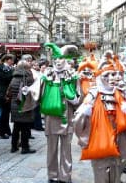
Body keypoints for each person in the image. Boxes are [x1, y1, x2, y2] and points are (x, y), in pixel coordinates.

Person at [39, 43, 81, 183]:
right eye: (55, 59)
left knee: (66, 149)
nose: (57, 61)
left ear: (66, 59)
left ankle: (65, 176)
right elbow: (38, 91)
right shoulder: (47, 75)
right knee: (51, 149)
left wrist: (73, 97)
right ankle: (52, 176)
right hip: (51, 118)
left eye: (60, 58)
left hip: (67, 117)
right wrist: (27, 92)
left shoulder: (73, 75)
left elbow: (79, 96)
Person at [8, 60, 37, 154]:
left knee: (16, 127)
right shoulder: (28, 77)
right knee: (25, 128)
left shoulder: (14, 77)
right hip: (24, 105)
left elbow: (10, 91)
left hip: (14, 105)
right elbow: (34, 90)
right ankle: (25, 147)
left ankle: (13, 147)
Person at [0, 54, 15, 139]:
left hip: (8, 93)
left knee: (6, 114)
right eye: (12, 60)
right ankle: (1, 132)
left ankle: (7, 131)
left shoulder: (10, 68)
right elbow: (4, 79)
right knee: (3, 114)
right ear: (7, 60)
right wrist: (13, 73)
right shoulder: (0, 68)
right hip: (3, 93)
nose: (13, 62)